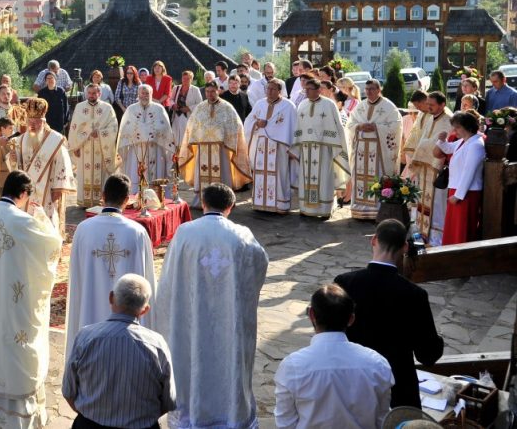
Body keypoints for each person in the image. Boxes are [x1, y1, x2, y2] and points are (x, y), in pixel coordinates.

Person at [154, 183, 268, 429]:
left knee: (192, 361)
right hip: (230, 319)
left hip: (191, 317)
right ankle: (230, 418)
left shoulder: (184, 233)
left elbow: (168, 280)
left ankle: (191, 418)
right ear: (231, 207)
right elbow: (259, 268)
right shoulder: (242, 235)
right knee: (230, 363)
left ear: (203, 203)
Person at [0, 170, 61, 429]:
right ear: (24, 194)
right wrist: (42, 217)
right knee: (14, 350)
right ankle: (15, 418)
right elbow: (52, 246)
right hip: (14, 305)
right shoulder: (24, 222)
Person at [335, 220, 444, 409]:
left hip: (353, 385)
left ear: (374, 240)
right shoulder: (414, 294)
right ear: (404, 247)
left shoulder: (344, 283)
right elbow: (427, 355)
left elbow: (332, 333)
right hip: (397, 389)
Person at [63, 274, 176, 429]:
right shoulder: (157, 344)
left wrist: (91, 416)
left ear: (111, 298)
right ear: (145, 310)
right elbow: (169, 400)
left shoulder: (85, 337)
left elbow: (68, 391)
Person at [274, 284, 393, 428]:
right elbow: (383, 419)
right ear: (351, 319)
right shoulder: (377, 363)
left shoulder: (293, 365)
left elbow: (285, 422)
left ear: (311, 315)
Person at [65, 174, 157, 360]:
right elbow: (148, 283)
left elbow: (76, 279)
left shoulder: (83, 229)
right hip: (129, 330)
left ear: (103, 195)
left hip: (89, 322)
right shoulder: (137, 232)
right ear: (126, 199)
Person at [178, 82, 252, 208]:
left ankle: (224, 201)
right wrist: (195, 138)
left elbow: (236, 125)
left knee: (222, 174)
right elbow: (191, 125)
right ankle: (202, 201)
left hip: (221, 149)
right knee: (203, 175)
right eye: (207, 92)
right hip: (203, 148)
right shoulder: (200, 107)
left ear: (218, 91)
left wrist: (226, 138)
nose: (210, 94)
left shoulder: (227, 107)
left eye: (212, 91)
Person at [13, 97, 76, 233]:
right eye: (30, 122)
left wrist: (58, 189)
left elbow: (63, 164)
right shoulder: (21, 140)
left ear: (44, 121)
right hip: (25, 192)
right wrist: (11, 158)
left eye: (37, 122)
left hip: (48, 191)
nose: (33, 126)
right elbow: (16, 164)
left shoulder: (55, 140)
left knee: (46, 225)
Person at [292, 78, 350, 218]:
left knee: (324, 179)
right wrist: (295, 146)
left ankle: (324, 210)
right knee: (306, 178)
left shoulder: (329, 104)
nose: (306, 92)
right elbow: (298, 126)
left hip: (324, 148)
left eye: (309, 89)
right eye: (306, 89)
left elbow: (337, 127)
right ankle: (306, 208)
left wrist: (335, 144)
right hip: (306, 148)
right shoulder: (303, 105)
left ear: (318, 90)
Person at [346, 79, 402, 219]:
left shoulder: (389, 107)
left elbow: (396, 127)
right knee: (360, 178)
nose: (368, 92)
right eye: (366, 89)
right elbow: (350, 124)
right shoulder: (360, 106)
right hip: (360, 151)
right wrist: (359, 127)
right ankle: (359, 210)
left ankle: (377, 211)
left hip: (378, 151)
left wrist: (377, 128)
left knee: (376, 178)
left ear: (379, 90)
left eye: (371, 89)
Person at [404, 91, 452, 245]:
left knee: (436, 204)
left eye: (432, 105)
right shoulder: (430, 118)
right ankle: (420, 235)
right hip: (424, 168)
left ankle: (436, 239)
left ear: (442, 104)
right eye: (428, 104)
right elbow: (422, 140)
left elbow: (436, 144)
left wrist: (424, 146)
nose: (428, 107)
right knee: (421, 202)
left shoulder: (448, 121)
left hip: (436, 169)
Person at [245, 79, 298, 214]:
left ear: (280, 91)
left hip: (280, 147)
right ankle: (260, 203)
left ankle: (280, 205)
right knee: (260, 173)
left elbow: (293, 128)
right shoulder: (260, 103)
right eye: (267, 89)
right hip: (262, 146)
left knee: (280, 174)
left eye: (273, 89)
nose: (269, 92)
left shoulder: (288, 106)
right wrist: (257, 123)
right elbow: (249, 121)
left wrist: (292, 148)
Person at [435, 112, 485, 245]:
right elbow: (449, 148)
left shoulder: (476, 145)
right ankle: (451, 252)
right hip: (458, 190)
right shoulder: (464, 141)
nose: (454, 130)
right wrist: (441, 140)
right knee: (454, 227)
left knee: (462, 229)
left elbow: (469, 172)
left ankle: (460, 256)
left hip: (466, 193)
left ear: (467, 127)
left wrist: (458, 195)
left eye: (457, 127)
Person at [117, 84, 176, 197]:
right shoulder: (131, 109)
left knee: (156, 177)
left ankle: (157, 197)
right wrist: (144, 131)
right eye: (142, 93)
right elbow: (125, 128)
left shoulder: (159, 109)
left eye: (147, 93)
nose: (145, 96)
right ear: (138, 94)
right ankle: (134, 197)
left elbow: (165, 128)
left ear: (151, 94)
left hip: (155, 148)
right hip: (136, 149)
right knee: (135, 174)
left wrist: (150, 131)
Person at [69, 83, 120, 206]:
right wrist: (75, 146)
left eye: (94, 93)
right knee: (83, 175)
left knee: (100, 175)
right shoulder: (80, 107)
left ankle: (99, 201)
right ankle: (84, 202)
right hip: (84, 146)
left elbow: (113, 127)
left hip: (101, 147)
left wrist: (101, 133)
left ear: (99, 94)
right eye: (89, 93)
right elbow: (74, 128)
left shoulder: (107, 108)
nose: (91, 95)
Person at [169, 70, 203, 149]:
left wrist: (189, 108)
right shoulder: (176, 88)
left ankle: (187, 154)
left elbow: (200, 104)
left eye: (188, 79)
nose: (185, 80)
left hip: (188, 117)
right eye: (184, 78)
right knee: (176, 136)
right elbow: (170, 100)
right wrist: (173, 105)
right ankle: (177, 156)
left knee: (187, 137)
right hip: (176, 117)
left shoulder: (195, 89)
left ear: (191, 79)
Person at [401, 90, 429, 163]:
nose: (419, 109)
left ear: (425, 101)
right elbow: (414, 132)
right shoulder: (422, 113)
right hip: (418, 152)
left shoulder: (435, 113)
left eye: (419, 106)